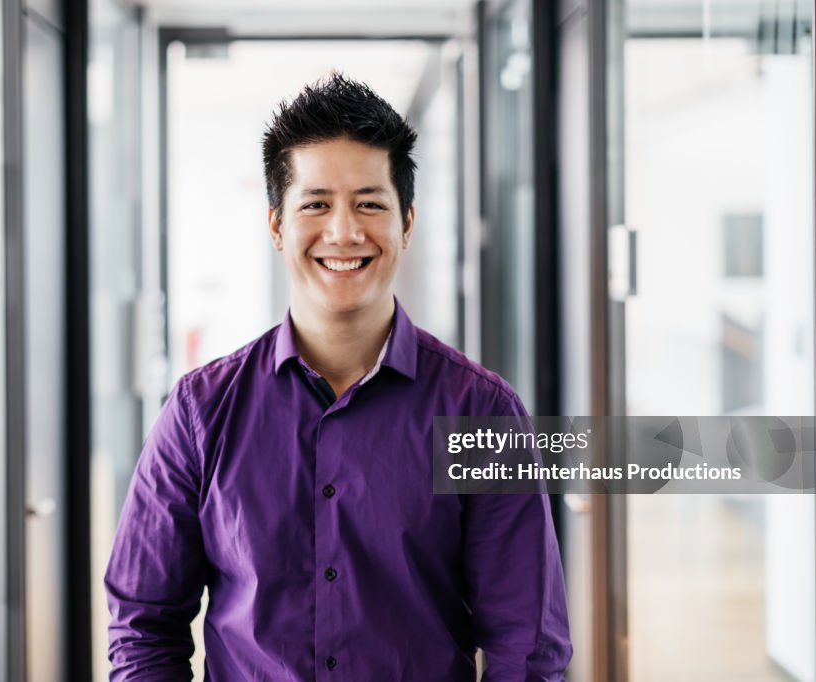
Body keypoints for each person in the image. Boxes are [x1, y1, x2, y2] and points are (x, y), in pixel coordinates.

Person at [105, 72, 572, 681]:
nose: (344, 232)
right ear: (277, 225)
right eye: (316, 204)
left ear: (407, 222)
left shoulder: (480, 411)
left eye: (370, 203)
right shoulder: (200, 412)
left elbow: (527, 647)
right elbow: (142, 625)